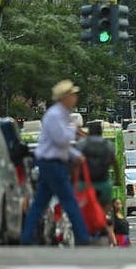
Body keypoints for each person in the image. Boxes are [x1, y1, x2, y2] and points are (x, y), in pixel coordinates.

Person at [20, 80, 91, 245]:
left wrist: (75, 155)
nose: (75, 98)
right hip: (51, 164)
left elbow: (60, 145)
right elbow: (62, 139)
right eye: (72, 95)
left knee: (39, 203)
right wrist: (74, 128)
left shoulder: (61, 115)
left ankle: (27, 238)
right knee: (69, 201)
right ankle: (83, 238)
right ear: (65, 97)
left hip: (51, 162)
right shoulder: (55, 115)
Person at [77, 120, 122, 245]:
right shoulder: (108, 145)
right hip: (103, 183)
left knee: (80, 206)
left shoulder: (81, 144)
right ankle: (105, 219)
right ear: (101, 132)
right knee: (106, 204)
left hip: (85, 184)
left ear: (89, 131)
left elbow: (75, 163)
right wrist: (117, 179)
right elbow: (115, 163)